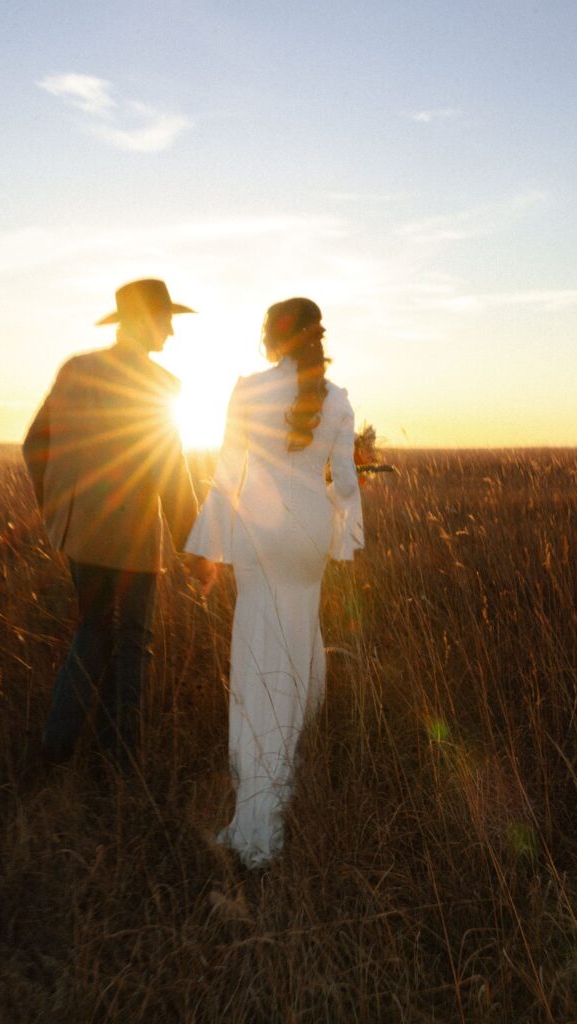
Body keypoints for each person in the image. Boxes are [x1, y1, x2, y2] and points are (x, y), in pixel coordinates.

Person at [185, 297, 363, 866]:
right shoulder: (337, 400)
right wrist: (342, 533)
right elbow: (347, 483)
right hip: (308, 531)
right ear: (317, 337)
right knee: (298, 642)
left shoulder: (248, 390)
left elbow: (229, 473)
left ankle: (261, 809)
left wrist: (209, 546)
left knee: (262, 655)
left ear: (272, 336)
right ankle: (292, 771)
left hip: (263, 529)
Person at [23, 278, 216, 767]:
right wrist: (196, 551)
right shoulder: (161, 386)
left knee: (92, 631)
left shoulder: (76, 370)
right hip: (131, 542)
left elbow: (33, 445)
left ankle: (55, 748)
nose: (171, 332)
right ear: (146, 321)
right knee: (131, 644)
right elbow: (171, 475)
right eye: (167, 320)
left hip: (81, 535)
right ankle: (120, 762)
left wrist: (58, 510)